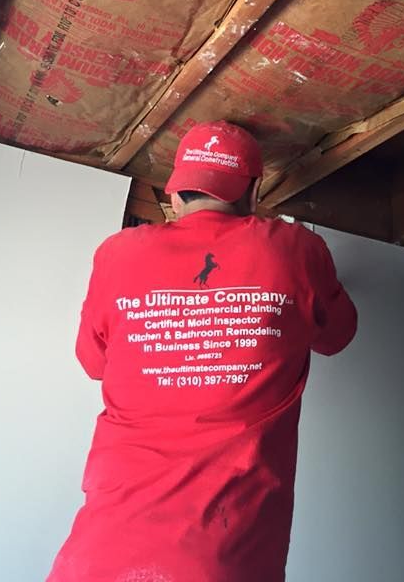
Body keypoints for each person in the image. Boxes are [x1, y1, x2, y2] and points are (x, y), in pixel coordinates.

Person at [47, 120, 357, 582]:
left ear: (175, 195)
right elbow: (339, 336)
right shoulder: (295, 248)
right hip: (224, 558)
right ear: (254, 193)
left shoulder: (118, 253)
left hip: (96, 558)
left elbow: (93, 363)